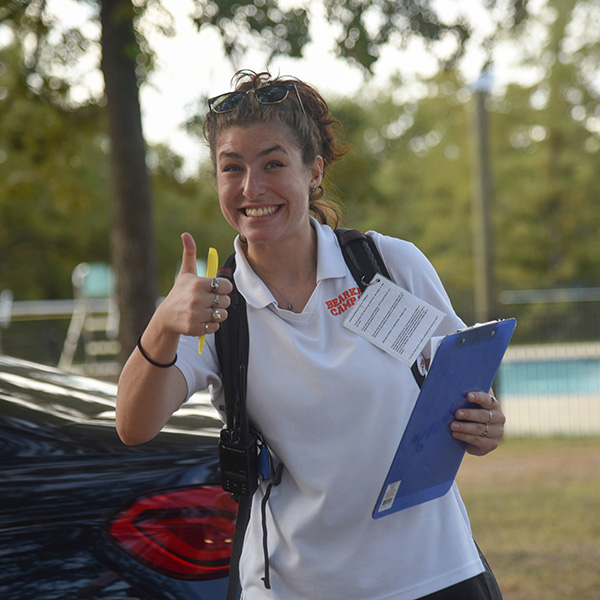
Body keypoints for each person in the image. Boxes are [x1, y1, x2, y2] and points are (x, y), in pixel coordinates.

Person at [116, 70, 506, 600]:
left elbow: (464, 389)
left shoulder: (385, 265)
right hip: (297, 586)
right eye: (232, 168)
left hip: (436, 571)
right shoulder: (211, 306)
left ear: (314, 171)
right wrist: (163, 323)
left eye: (273, 163)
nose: (252, 188)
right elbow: (133, 425)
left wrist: (484, 424)